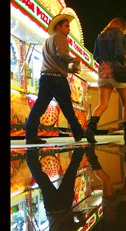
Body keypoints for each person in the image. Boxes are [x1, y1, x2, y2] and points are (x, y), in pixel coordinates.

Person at [25, 14, 85, 144]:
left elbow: (54, 61)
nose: (68, 29)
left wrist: (68, 69)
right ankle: (78, 133)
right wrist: (75, 60)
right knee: (67, 107)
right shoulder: (60, 37)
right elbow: (62, 54)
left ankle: (30, 135)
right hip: (57, 79)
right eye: (66, 26)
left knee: (39, 107)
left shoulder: (48, 40)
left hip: (46, 77)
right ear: (58, 27)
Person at [26, 147, 86, 231]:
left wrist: (79, 224)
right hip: (51, 208)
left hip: (61, 206)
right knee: (42, 179)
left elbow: (67, 229)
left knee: (70, 174)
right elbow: (62, 224)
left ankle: (80, 149)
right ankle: (31, 155)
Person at [87, 18, 126, 145]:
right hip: (118, 73)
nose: (124, 33)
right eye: (125, 31)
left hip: (103, 72)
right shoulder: (118, 33)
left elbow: (95, 56)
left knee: (103, 104)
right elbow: (120, 52)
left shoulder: (100, 36)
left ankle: (90, 129)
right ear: (122, 27)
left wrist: (105, 63)